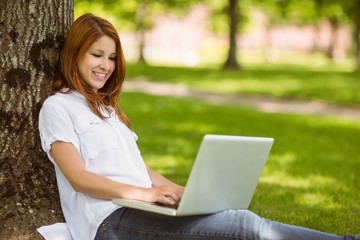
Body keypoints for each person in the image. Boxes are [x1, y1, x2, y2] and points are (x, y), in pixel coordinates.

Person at [38, 13, 358, 240]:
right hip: (108, 222)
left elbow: (137, 168)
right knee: (243, 227)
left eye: (111, 57)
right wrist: (146, 195)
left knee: (229, 220)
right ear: (74, 54)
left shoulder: (107, 109)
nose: (106, 66)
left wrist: (175, 190)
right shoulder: (58, 107)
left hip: (140, 207)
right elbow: (78, 179)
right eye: (97, 55)